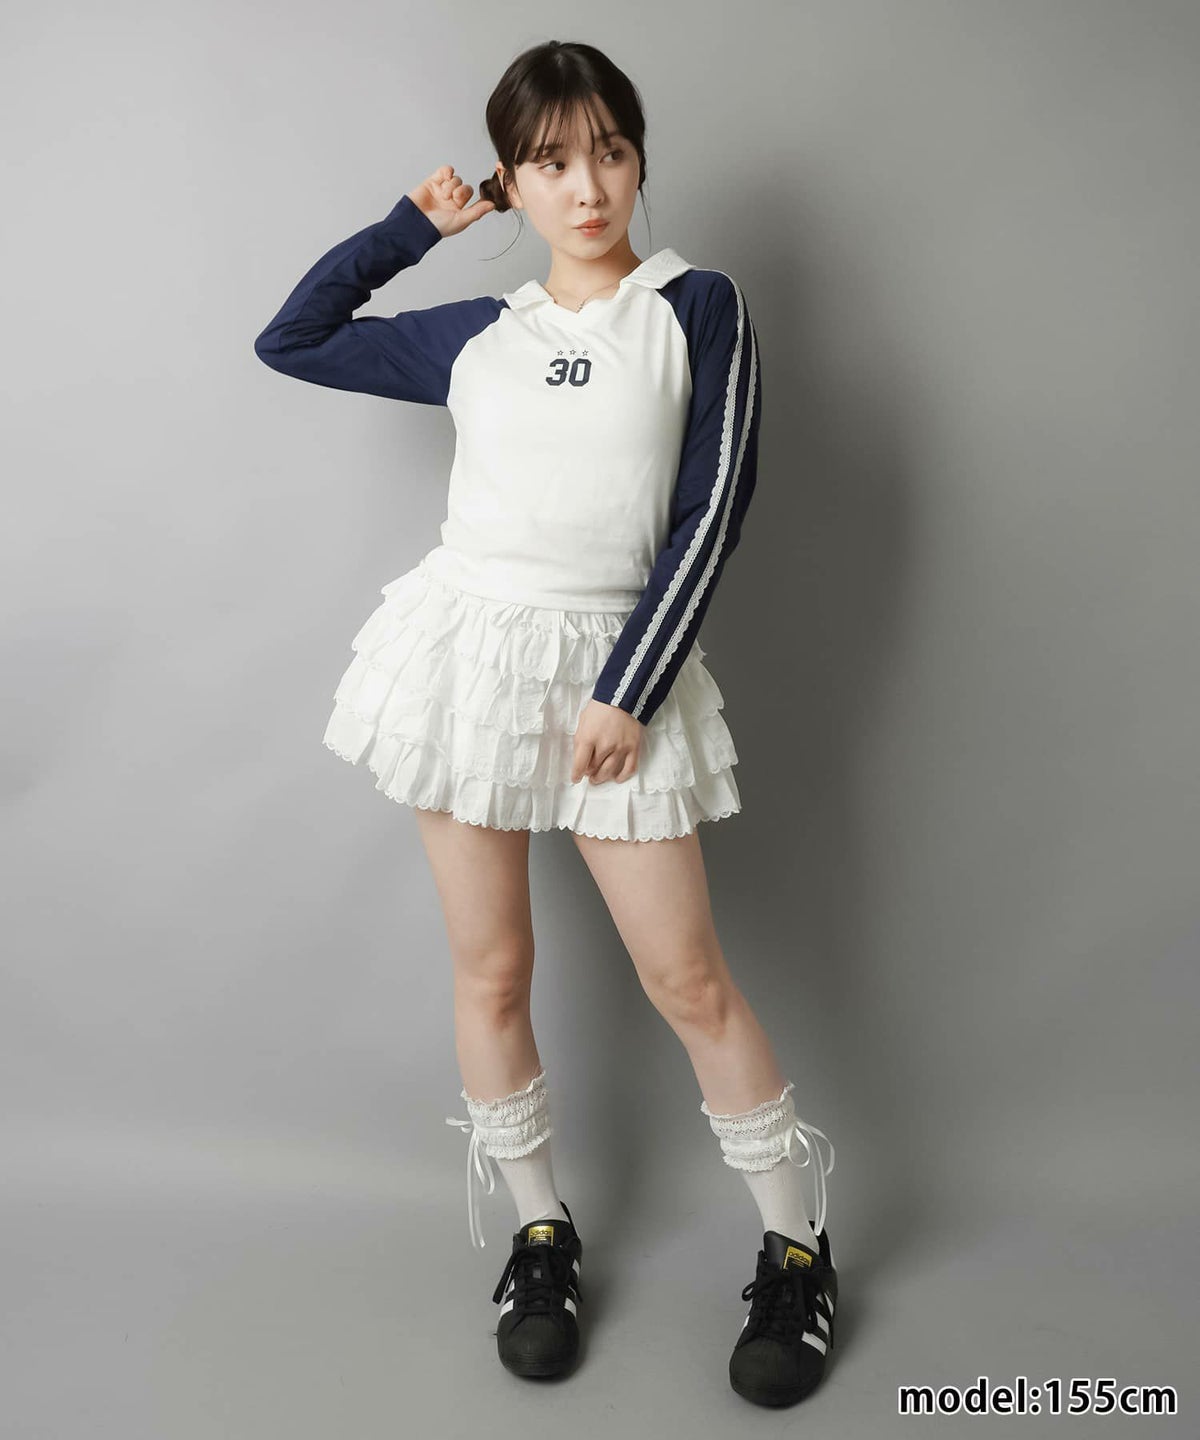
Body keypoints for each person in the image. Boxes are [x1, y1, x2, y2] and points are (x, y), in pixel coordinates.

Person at [253, 38, 836, 1408]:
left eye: (609, 153)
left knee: (687, 980)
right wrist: (409, 231)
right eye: (552, 163)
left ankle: (800, 1250)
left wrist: (630, 686)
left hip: (620, 668)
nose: (587, 188)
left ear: (637, 160)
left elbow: (714, 508)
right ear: (510, 183)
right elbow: (293, 339)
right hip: (467, 663)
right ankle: (539, 1236)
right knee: (494, 973)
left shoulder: (696, 308)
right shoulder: (478, 334)